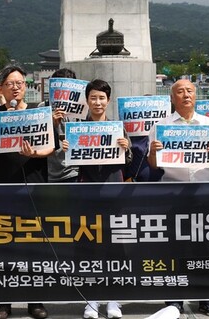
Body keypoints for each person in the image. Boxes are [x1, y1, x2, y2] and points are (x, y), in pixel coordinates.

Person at [0, 65, 53, 319]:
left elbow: (50, 146)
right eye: (10, 83)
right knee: (4, 246)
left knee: (35, 247)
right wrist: (6, 124)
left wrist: (36, 153)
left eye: (20, 82)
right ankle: (4, 302)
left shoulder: (38, 113)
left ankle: (36, 301)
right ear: (1, 88)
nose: (16, 87)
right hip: (2, 189)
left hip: (35, 185)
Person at [148, 79, 209, 318]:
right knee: (174, 248)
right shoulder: (160, 126)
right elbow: (153, 165)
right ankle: (174, 300)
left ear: (196, 96)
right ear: (172, 98)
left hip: (204, 193)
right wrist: (153, 152)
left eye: (189, 91)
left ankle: (208, 299)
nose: (185, 95)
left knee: (205, 248)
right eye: (180, 92)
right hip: (173, 192)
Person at [60, 79, 129, 319]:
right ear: (87, 101)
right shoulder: (77, 129)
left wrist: (126, 147)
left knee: (115, 247)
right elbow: (68, 164)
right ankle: (91, 300)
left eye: (102, 98)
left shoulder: (118, 127)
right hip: (86, 194)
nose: (97, 102)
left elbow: (128, 163)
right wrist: (66, 147)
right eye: (93, 98)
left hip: (113, 194)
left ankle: (114, 300)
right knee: (87, 248)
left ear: (108, 101)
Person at [43, 68, 80, 183]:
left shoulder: (82, 111)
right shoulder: (42, 109)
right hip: (49, 173)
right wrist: (52, 123)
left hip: (75, 172)